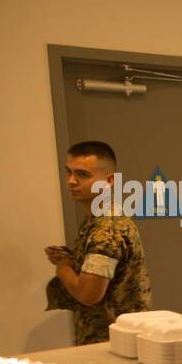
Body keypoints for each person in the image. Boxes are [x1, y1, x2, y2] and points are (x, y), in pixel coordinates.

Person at [44, 141, 151, 344]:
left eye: (83, 175)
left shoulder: (106, 230)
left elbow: (88, 294)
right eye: (69, 172)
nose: (71, 181)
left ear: (109, 181)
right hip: (113, 340)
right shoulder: (101, 218)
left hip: (113, 343)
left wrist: (63, 267)